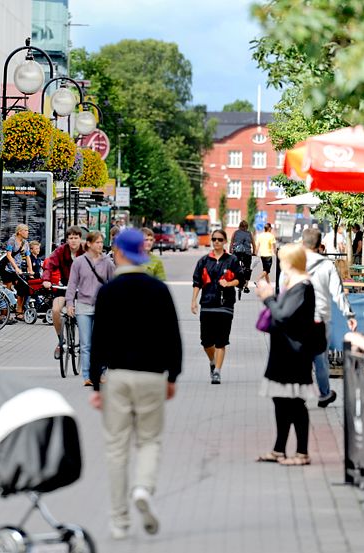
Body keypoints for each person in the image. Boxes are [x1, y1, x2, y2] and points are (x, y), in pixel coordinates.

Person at [89, 228, 182, 540]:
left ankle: (119, 521)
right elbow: (173, 336)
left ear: (117, 252)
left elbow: (97, 340)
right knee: (149, 441)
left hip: (117, 376)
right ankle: (143, 488)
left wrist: (96, 385)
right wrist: (174, 375)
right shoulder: (158, 290)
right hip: (153, 375)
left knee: (116, 449)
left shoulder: (108, 292)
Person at [255, 243, 317, 466]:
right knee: (281, 401)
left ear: (290, 262)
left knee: (295, 403)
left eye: (282, 260)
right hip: (284, 351)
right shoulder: (295, 285)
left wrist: (268, 297)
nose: (280, 263)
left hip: (295, 353)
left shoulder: (302, 287)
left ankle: (302, 452)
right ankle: (279, 449)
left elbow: (282, 315)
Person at [302, 228, 357, 408]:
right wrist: (349, 314)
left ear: (303, 243)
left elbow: (284, 288)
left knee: (300, 356)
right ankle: (324, 394)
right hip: (320, 318)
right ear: (320, 246)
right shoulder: (327, 266)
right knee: (320, 359)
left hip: (298, 318)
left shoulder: (295, 263)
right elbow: (338, 293)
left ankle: (300, 393)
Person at [191, 229, 242, 385]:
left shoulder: (232, 260)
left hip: (225, 304)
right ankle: (212, 361)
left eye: (220, 239)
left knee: (221, 341)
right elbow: (197, 282)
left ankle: (217, 372)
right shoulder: (204, 261)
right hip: (207, 303)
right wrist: (193, 300)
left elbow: (240, 279)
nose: (217, 242)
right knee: (206, 341)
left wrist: (229, 283)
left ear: (225, 241)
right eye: (214, 239)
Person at [66, 231, 116, 386]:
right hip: (83, 305)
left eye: (102, 242)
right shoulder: (79, 262)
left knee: (99, 343)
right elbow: (72, 284)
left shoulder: (107, 262)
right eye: (97, 242)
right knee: (86, 343)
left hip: (102, 307)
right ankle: (87, 376)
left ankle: (100, 373)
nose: (100, 245)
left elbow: (112, 284)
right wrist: (69, 303)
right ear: (88, 244)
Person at [43, 226, 85, 358]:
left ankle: (86, 342)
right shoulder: (61, 251)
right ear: (67, 239)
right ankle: (61, 340)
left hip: (83, 287)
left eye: (76, 238)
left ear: (80, 239)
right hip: (66, 286)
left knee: (87, 313)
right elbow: (49, 265)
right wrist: (46, 279)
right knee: (56, 310)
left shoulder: (86, 250)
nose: (73, 241)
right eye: (70, 238)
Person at [1, 224, 30, 320]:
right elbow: (8, 255)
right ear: (19, 232)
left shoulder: (25, 242)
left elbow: (28, 256)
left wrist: (30, 269)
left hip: (18, 271)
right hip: (8, 269)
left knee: (22, 289)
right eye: (25, 230)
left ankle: (19, 311)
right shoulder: (12, 240)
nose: (27, 232)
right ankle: (4, 315)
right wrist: (15, 267)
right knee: (7, 291)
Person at [231, 220, 256, 297]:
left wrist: (230, 251)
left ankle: (235, 280)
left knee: (234, 267)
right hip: (247, 254)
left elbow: (232, 242)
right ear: (247, 227)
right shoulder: (249, 234)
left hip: (237, 253)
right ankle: (246, 285)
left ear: (239, 226)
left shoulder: (235, 233)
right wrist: (254, 252)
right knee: (247, 268)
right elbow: (254, 244)